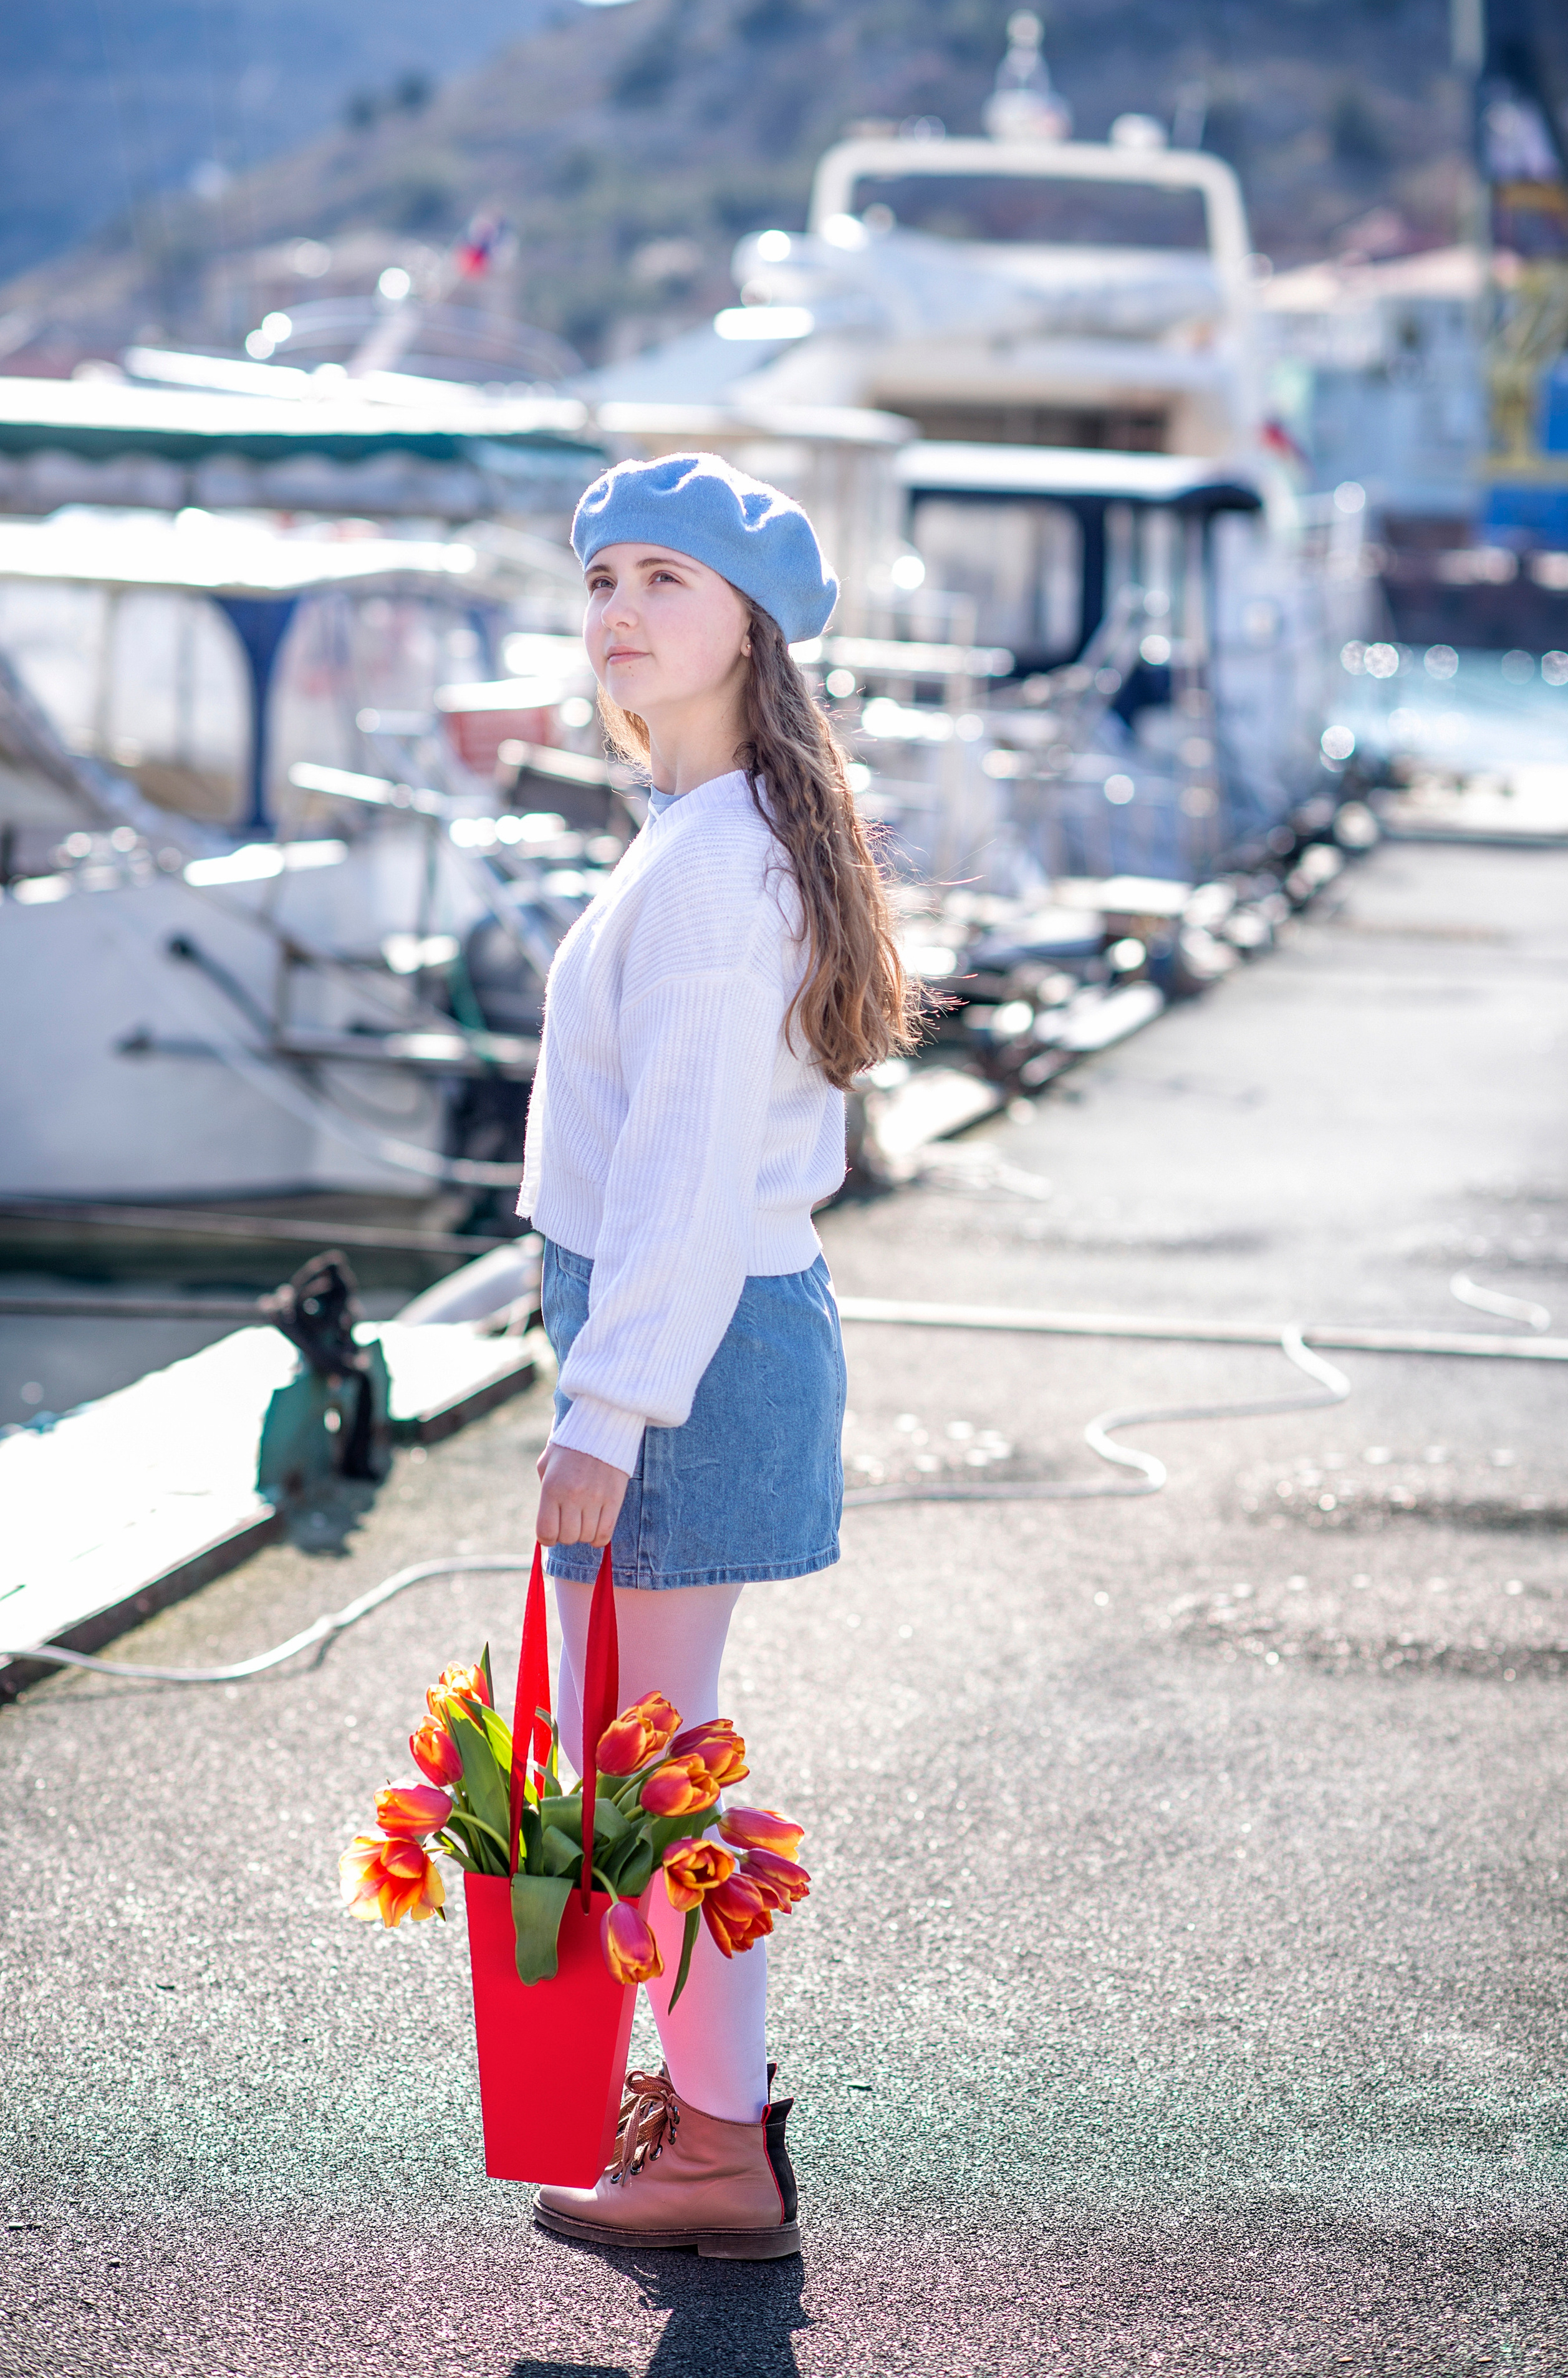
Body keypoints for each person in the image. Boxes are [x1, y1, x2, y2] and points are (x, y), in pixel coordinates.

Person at [523, 451, 915, 2260]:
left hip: (681, 1350)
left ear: (752, 622)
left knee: (643, 1771)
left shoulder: (711, 865)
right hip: (698, 1332)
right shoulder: (711, 835)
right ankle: (709, 2120)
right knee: (648, 1760)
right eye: (603, 579)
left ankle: (715, 2150)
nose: (618, 614)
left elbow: (678, 1180)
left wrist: (606, 1410)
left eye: (665, 580)